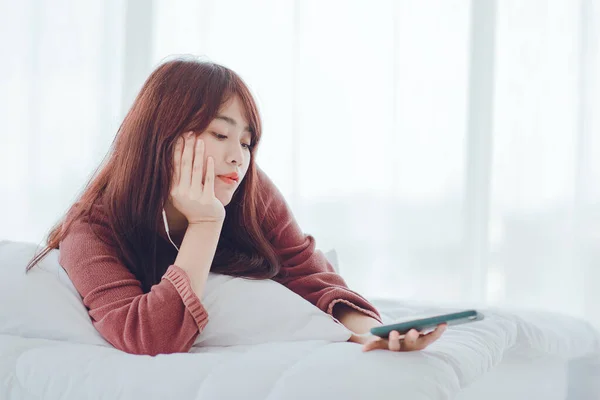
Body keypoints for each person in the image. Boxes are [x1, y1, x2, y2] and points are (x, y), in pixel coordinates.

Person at [26, 58, 446, 356]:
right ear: (163, 136)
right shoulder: (93, 226)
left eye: (246, 142)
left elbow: (311, 276)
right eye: (219, 134)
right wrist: (205, 223)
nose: (238, 158)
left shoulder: (251, 190)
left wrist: (374, 332)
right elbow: (149, 337)